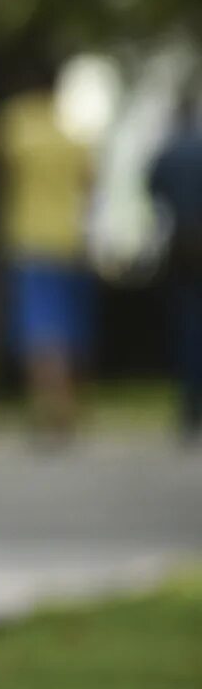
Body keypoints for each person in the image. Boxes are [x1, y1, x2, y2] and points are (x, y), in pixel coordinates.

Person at [0, 73, 97, 444]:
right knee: (69, 331)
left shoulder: (16, 123)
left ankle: (48, 409)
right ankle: (69, 407)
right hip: (70, 240)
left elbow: (5, 173)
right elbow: (89, 183)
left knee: (40, 334)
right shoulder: (73, 134)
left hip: (30, 240)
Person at [146, 93, 202, 446]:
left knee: (186, 323)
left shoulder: (166, 154)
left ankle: (189, 402)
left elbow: (154, 194)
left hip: (181, 244)